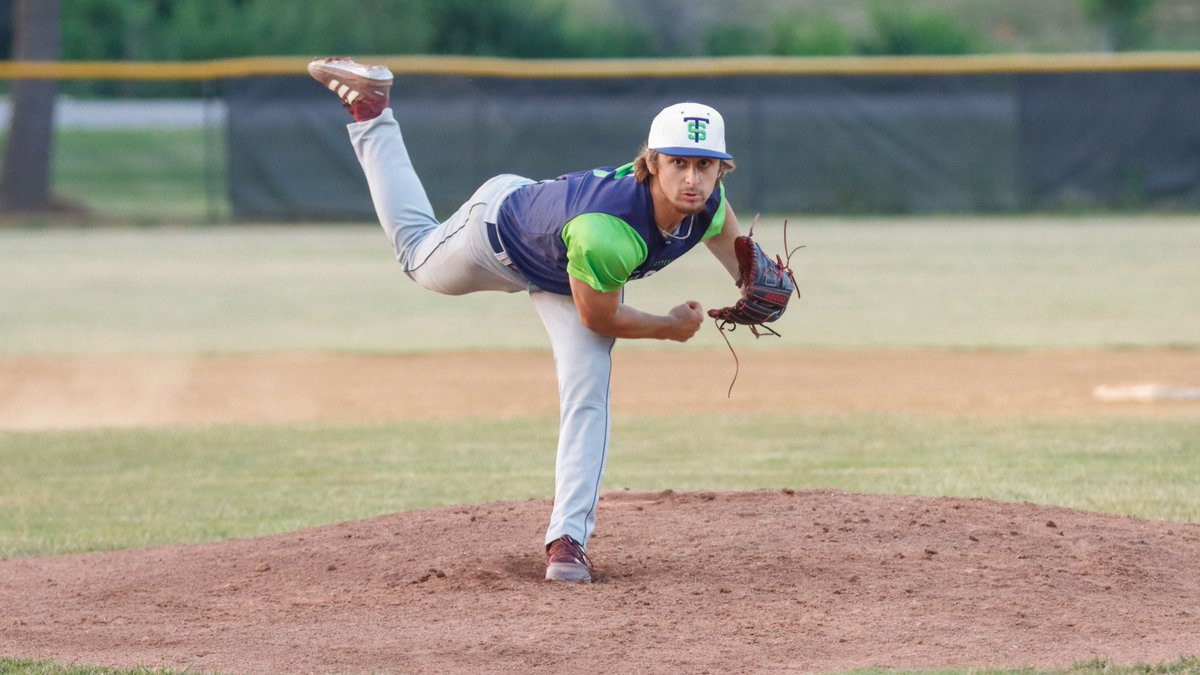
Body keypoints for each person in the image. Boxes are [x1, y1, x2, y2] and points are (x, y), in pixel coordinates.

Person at [308, 57, 746, 583]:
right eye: (679, 163)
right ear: (651, 161)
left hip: (567, 264)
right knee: (416, 257)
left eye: (705, 165)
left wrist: (752, 281)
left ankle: (568, 542)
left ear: (722, 169)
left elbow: (729, 238)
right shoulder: (608, 232)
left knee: (589, 388)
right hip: (495, 234)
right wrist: (668, 326)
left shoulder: (708, 203)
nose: (692, 178)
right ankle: (371, 112)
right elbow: (600, 316)